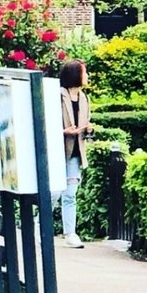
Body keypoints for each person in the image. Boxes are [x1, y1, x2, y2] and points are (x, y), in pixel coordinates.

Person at [57, 60, 93, 248]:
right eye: (84, 72)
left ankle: (70, 233)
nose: (86, 76)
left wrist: (88, 129)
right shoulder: (58, 96)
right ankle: (39, 227)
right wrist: (64, 132)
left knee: (70, 194)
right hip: (58, 153)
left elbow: (86, 123)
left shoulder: (84, 98)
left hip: (76, 153)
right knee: (53, 194)